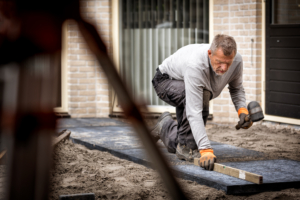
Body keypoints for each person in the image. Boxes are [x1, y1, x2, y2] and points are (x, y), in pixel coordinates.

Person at [151, 34, 253, 171]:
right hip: (164, 81)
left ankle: (166, 127)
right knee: (199, 99)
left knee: (185, 138)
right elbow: (194, 111)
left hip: (184, 81)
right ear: (210, 54)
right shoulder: (196, 65)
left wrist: (242, 111)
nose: (223, 67)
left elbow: (236, 88)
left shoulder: (237, 61)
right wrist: (205, 149)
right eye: (219, 62)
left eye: (227, 63)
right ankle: (185, 146)